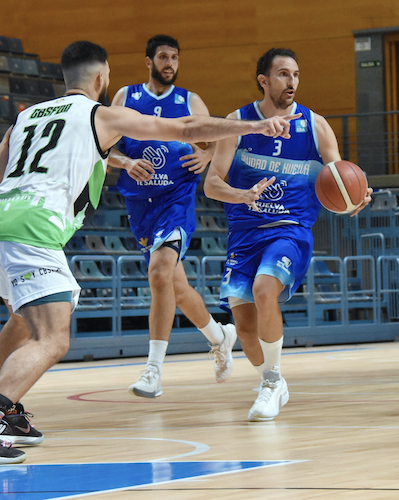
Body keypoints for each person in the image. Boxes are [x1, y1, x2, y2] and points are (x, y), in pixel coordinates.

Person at [0, 40, 299, 464]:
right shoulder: (103, 115)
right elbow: (187, 130)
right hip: (34, 230)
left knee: (23, 321)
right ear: (101, 78)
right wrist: (254, 127)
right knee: (54, 338)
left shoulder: (24, 118)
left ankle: (8, 414)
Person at [204, 48, 372, 422]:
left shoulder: (316, 125)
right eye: (282, 74)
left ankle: (272, 382)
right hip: (244, 235)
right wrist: (241, 195)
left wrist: (354, 198)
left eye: (295, 74)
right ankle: (270, 378)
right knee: (247, 333)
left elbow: (340, 180)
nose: (291, 81)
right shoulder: (237, 122)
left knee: (266, 289)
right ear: (263, 80)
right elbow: (212, 184)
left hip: (290, 230)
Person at [107, 35, 236, 399]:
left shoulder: (189, 100)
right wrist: (127, 162)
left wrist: (208, 157)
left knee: (160, 273)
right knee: (175, 288)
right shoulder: (126, 98)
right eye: (163, 57)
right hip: (140, 205)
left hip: (176, 199)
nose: (170, 63)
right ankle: (220, 336)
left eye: (175, 57)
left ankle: (153, 371)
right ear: (148, 61)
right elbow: (104, 148)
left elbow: (219, 138)